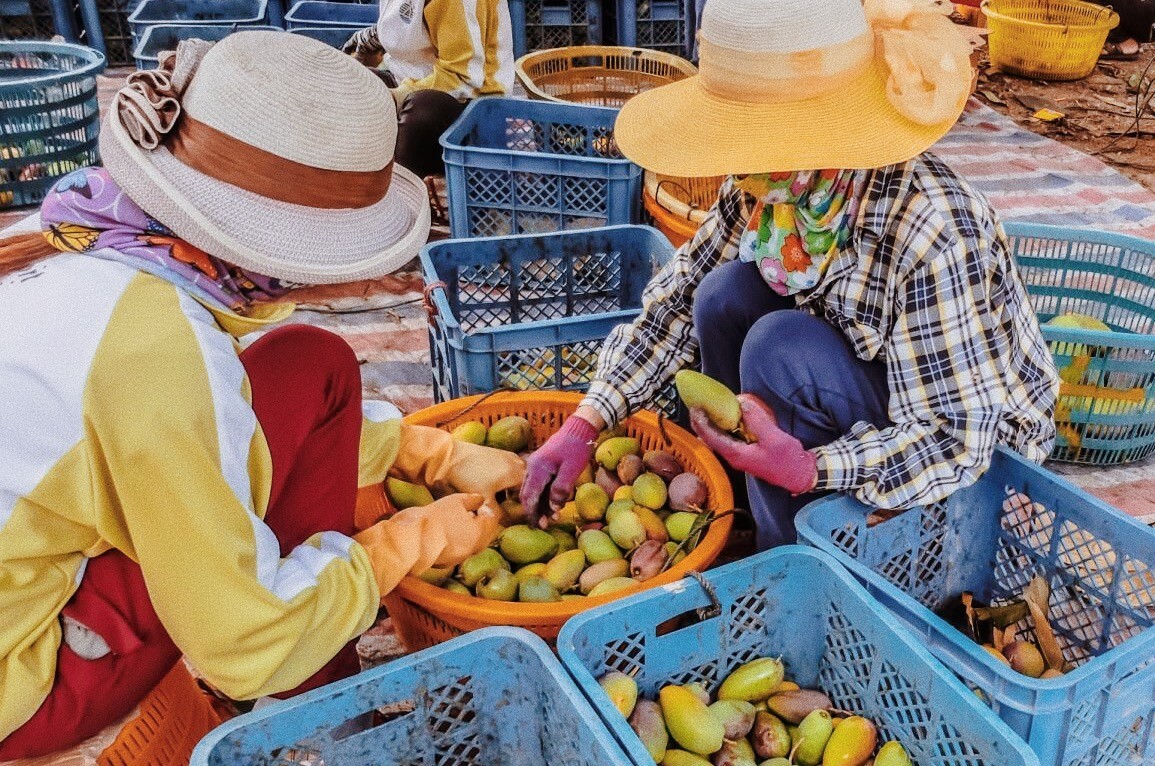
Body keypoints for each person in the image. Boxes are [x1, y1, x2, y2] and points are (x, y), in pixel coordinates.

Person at [0, 32, 523, 759]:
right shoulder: (154, 354)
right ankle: (321, 700)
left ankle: (318, 652)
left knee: (311, 363)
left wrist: (421, 451)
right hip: (25, 679)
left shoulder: (81, 229)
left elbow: (230, 406)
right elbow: (240, 644)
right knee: (244, 608)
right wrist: (400, 545)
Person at [520, 0, 1060, 551]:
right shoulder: (774, 187)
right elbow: (677, 305)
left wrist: (810, 468)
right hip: (861, 381)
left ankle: (787, 557)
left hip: (960, 452)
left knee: (778, 347)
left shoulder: (932, 228)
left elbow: (957, 436)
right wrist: (587, 420)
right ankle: (736, 504)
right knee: (722, 295)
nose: (737, 163)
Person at [341, 0, 514, 179]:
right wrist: (371, 40)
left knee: (421, 111)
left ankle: (404, 188)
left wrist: (396, 96)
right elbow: (412, 21)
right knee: (355, 85)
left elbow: (462, 76)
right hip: (412, 84)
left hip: (475, 107)